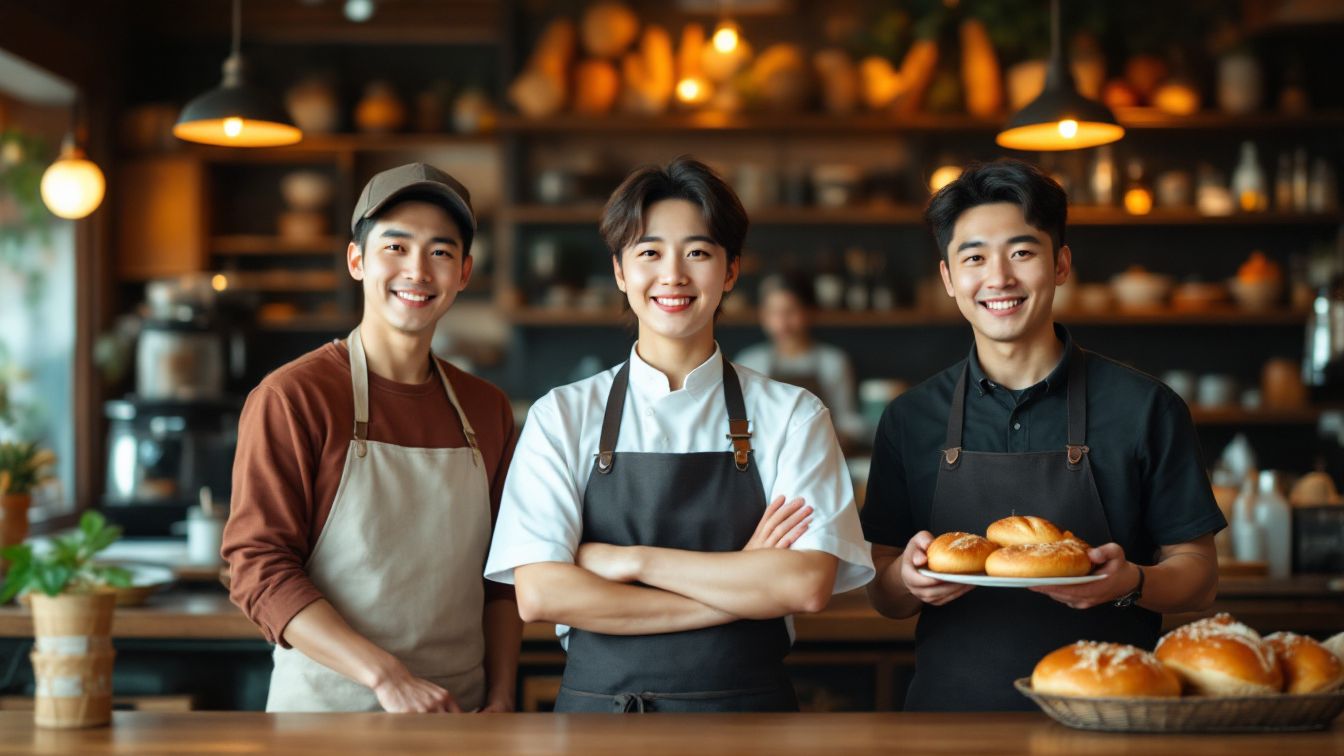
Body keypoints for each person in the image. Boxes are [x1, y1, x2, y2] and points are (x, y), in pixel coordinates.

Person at [484, 157, 874, 713]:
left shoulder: (794, 415)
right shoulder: (562, 415)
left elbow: (804, 585)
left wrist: (635, 562)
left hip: (749, 724)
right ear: (620, 271)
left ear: (731, 271)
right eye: (649, 253)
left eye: (697, 252)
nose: (673, 275)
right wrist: (742, 584)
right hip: (600, 723)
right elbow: (543, 593)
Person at [861, 159, 1226, 711]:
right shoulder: (910, 418)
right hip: (948, 725)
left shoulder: (1145, 408)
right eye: (975, 257)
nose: (999, 278)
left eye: (1022, 252)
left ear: (1060, 264)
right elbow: (882, 592)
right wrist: (906, 580)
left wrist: (1130, 581)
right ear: (948, 279)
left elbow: (1198, 578)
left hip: (1113, 719)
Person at [222, 163, 522, 713]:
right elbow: (258, 567)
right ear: (357, 260)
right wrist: (387, 677)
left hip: (461, 720)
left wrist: (502, 697)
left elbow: (503, 579)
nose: (418, 270)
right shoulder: (294, 396)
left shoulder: (488, 409)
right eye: (396, 247)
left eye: (440, 252)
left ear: (465, 273)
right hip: (326, 721)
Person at [735, 273, 867, 447]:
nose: (782, 323)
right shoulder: (748, 363)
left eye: (790, 311)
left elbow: (848, 421)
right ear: (763, 316)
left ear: (808, 312)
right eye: (774, 313)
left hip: (819, 457)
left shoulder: (833, 361)